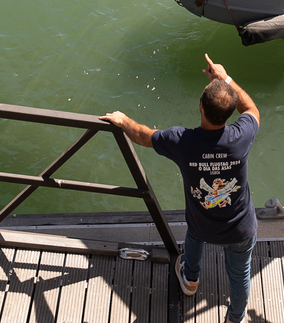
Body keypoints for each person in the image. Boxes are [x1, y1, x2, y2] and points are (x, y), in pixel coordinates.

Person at [101, 55, 259, 323]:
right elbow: (251, 109)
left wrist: (123, 120)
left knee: (194, 234)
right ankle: (236, 318)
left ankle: (190, 280)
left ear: (200, 107)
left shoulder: (182, 141)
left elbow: (142, 136)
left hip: (202, 221)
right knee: (240, 274)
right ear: (230, 113)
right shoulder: (241, 136)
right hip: (240, 227)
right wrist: (226, 78)